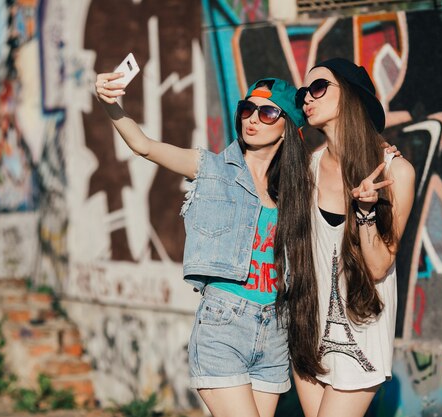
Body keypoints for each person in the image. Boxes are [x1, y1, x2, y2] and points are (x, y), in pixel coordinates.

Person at [95, 72, 314, 417]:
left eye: (267, 113)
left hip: (274, 331)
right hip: (223, 326)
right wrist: (110, 105)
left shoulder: (294, 191)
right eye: (247, 110)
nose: (252, 120)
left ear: (286, 126)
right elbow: (144, 146)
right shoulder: (211, 168)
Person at [286, 57, 415, 417]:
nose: (307, 99)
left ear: (352, 97)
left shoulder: (396, 172)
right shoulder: (307, 169)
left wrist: (366, 212)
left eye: (318, 88)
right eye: (303, 94)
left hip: (361, 330)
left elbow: (378, 267)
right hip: (308, 329)